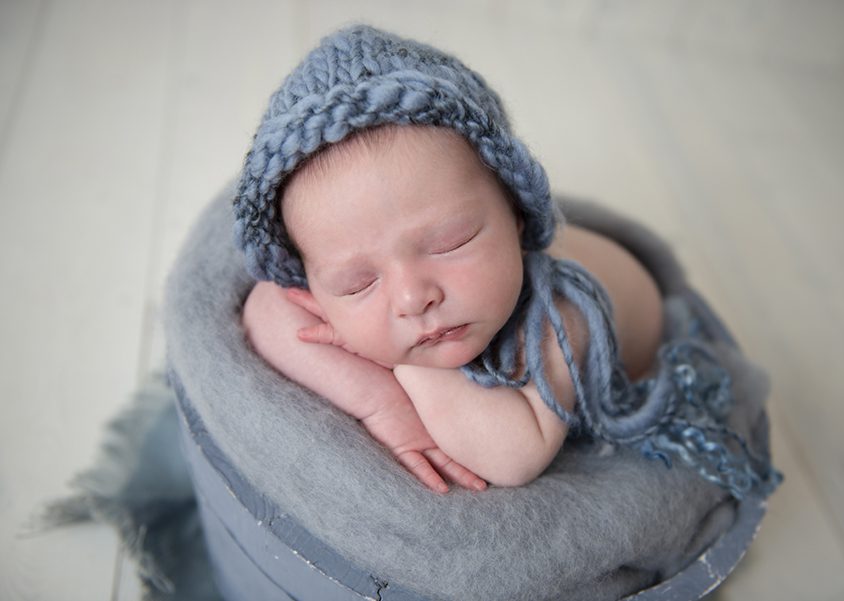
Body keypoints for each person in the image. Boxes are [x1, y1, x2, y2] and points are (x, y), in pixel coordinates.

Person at [235, 25, 664, 494]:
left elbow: (514, 456)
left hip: (638, 338)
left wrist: (406, 365)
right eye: (357, 283)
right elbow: (265, 309)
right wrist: (381, 404)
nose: (413, 296)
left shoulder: (560, 311)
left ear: (518, 215)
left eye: (451, 242)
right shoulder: (336, 286)